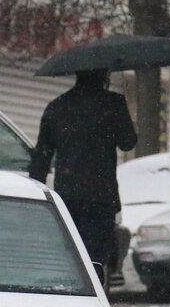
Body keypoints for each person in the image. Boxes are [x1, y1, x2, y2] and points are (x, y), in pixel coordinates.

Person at [29, 69, 138, 275]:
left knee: (73, 253)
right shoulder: (112, 104)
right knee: (97, 254)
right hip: (101, 195)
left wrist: (37, 190)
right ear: (104, 76)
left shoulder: (58, 107)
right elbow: (128, 142)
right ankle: (97, 291)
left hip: (68, 195)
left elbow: (42, 154)